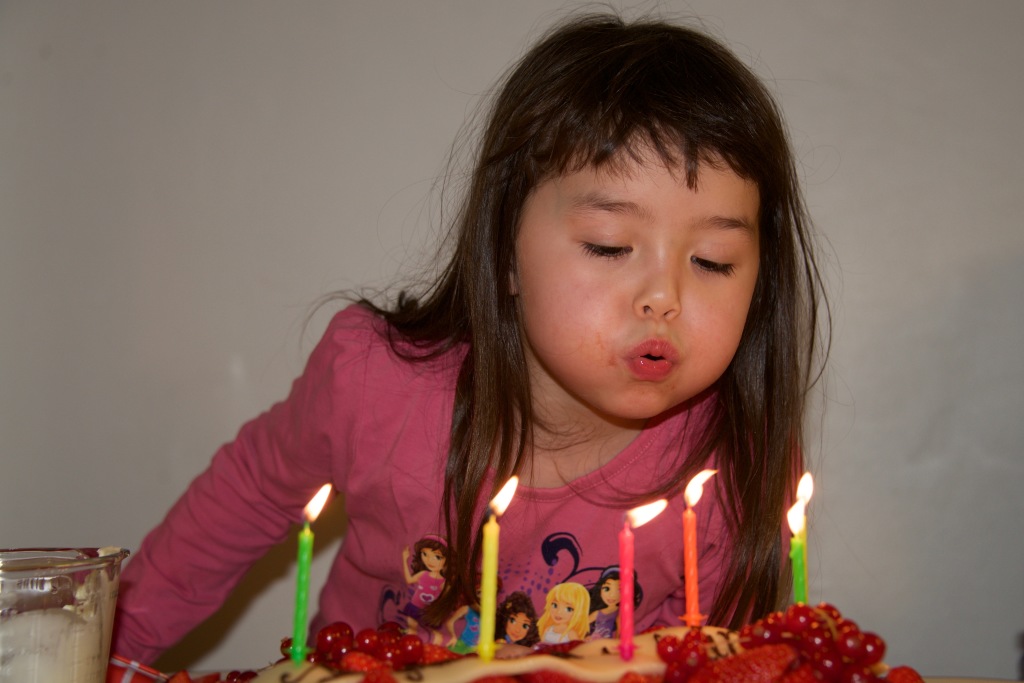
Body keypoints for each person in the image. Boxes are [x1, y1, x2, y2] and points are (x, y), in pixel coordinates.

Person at [112, 11, 828, 664]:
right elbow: (247, 496)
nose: (664, 297)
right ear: (505, 252)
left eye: (713, 261)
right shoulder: (374, 382)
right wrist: (109, 650)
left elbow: (711, 660)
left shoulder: (732, 463)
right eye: (610, 245)